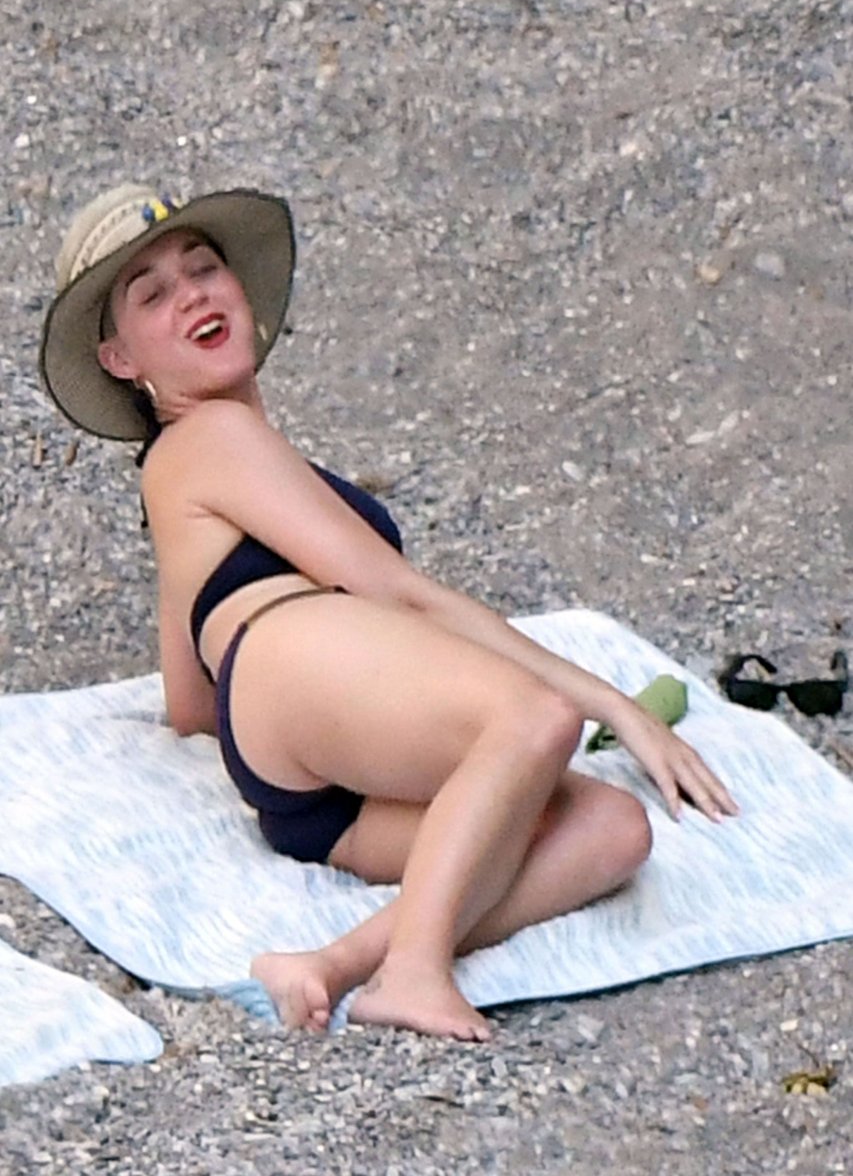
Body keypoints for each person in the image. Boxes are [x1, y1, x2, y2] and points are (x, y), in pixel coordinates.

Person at [40, 183, 738, 1041]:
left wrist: (323, 712)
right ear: (119, 359)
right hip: (290, 668)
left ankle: (335, 964)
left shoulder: (185, 467)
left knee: (607, 828)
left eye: (204, 268)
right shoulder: (212, 437)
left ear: (240, 290)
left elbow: (189, 705)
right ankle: (414, 974)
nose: (191, 295)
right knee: (534, 717)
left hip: (310, 793)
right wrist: (619, 709)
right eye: (152, 294)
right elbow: (398, 592)